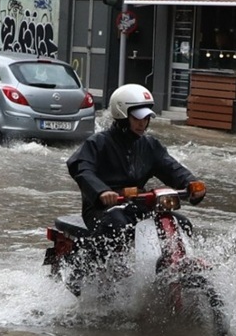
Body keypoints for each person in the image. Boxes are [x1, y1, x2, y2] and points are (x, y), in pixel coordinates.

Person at [65, 84, 206, 286]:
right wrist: (102, 191)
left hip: (138, 205)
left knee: (180, 223)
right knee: (117, 224)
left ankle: (166, 267)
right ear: (122, 115)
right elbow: (80, 167)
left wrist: (190, 183)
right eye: (137, 118)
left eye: (146, 118)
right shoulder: (99, 143)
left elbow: (170, 167)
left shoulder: (150, 145)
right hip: (102, 208)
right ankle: (84, 271)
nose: (143, 123)